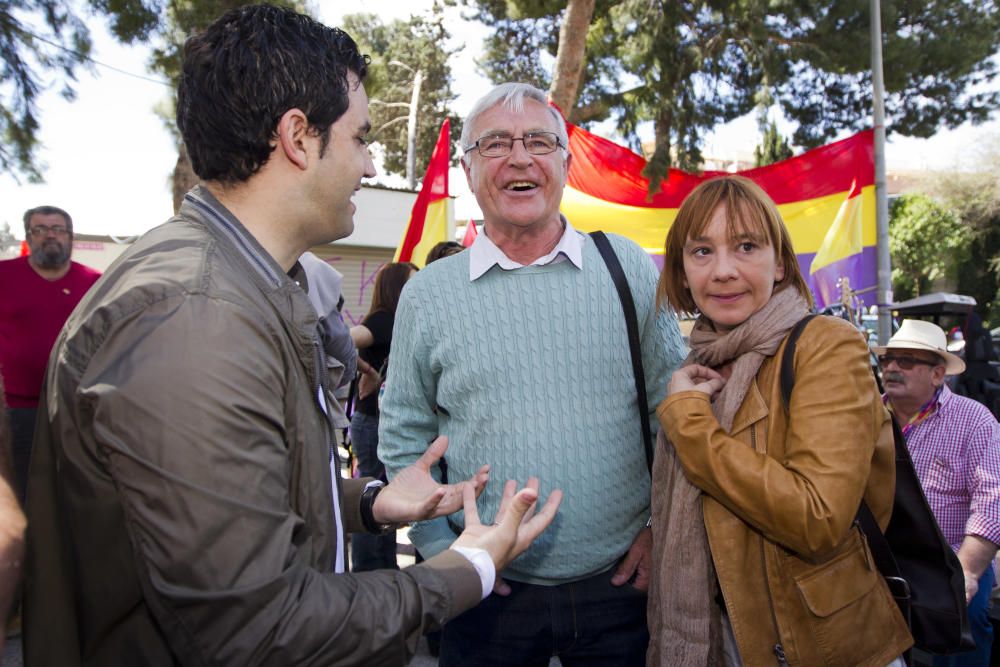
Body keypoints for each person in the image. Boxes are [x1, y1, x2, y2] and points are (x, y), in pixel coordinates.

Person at [22, 7, 560, 665]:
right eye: (360, 137)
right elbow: (253, 624)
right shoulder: (195, 316)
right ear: (299, 138)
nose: (368, 165)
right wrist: (464, 570)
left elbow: (231, 498)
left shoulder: (240, 286)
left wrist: (370, 500)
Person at [379, 82, 685, 666]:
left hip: (619, 586)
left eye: (539, 142)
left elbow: (673, 416)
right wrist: (448, 554)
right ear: (469, 171)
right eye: (495, 144)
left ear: (565, 165)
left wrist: (658, 531)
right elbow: (403, 436)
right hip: (483, 595)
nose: (520, 157)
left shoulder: (628, 268)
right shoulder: (427, 294)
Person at [648, 175, 912, 666]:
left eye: (746, 246)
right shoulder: (694, 368)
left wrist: (690, 423)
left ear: (781, 263)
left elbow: (818, 518)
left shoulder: (826, 345)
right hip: (719, 642)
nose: (723, 271)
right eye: (702, 252)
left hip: (817, 645)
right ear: (682, 272)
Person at [878, 319, 1000, 667]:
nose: (891, 368)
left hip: (951, 557)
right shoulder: (867, 417)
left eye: (906, 361)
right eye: (888, 360)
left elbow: (993, 499)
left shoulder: (973, 420)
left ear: (937, 374)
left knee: (966, 622)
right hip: (882, 556)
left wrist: (968, 571)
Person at [0, 206, 100, 503]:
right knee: (21, 493)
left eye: (57, 229)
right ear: (28, 236)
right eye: (39, 229)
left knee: (71, 494)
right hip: (16, 411)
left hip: (75, 409)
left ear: (71, 236)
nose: (49, 236)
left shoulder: (95, 283)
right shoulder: (4, 276)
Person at [348, 261, 419, 572]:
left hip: (375, 422)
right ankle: (372, 576)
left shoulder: (399, 319)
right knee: (374, 503)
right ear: (396, 288)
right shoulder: (385, 319)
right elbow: (344, 338)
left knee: (381, 500)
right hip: (373, 424)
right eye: (413, 282)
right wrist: (367, 371)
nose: (420, 289)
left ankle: (381, 573)